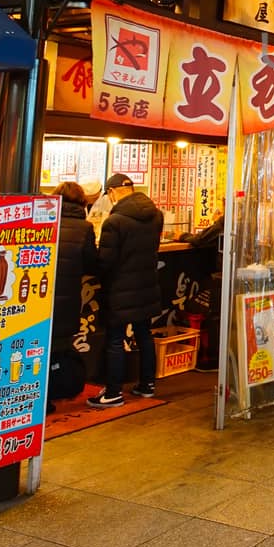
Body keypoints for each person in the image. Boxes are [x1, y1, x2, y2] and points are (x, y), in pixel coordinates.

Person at [89, 173, 163, 408]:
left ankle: (112, 393)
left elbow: (106, 261)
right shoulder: (156, 215)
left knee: (115, 339)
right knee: (144, 334)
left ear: (111, 193)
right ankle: (147, 385)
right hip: (146, 285)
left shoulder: (115, 221)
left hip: (120, 289)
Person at [48, 182, 98, 407]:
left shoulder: (44, 221)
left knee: (39, 345)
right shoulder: (84, 228)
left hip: (40, 293)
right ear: (82, 201)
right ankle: (56, 390)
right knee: (59, 347)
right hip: (67, 297)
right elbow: (91, 264)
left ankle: (38, 396)